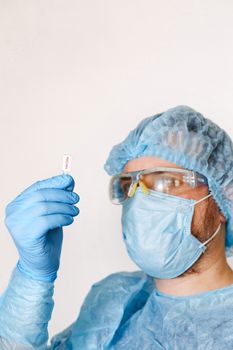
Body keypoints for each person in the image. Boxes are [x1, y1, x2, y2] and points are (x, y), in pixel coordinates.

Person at [1, 105, 233, 349]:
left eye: (167, 181)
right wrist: (32, 277)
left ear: (223, 200)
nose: (141, 200)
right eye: (128, 185)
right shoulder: (115, 301)